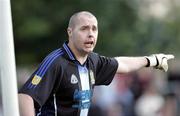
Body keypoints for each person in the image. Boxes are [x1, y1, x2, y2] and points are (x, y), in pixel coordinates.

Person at [18, 11, 174, 116]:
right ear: (70, 32)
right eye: (84, 29)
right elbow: (25, 97)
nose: (91, 34)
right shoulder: (56, 62)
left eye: (94, 29)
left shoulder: (93, 60)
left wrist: (152, 60)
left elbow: (122, 64)